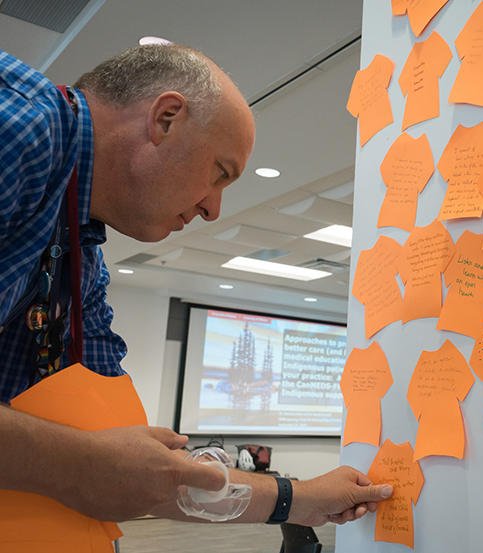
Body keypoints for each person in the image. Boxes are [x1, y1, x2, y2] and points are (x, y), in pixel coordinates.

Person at [0, 44, 391, 548]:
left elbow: (133, 472)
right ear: (165, 119)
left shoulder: (80, 254)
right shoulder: (20, 131)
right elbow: (95, 464)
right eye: (219, 173)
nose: (214, 209)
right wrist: (80, 466)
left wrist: (301, 497)